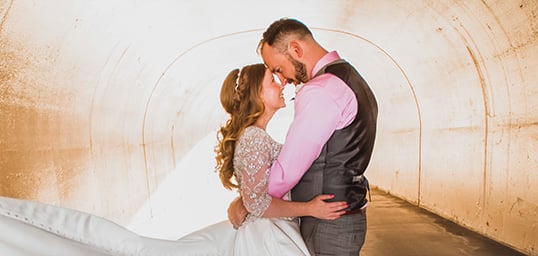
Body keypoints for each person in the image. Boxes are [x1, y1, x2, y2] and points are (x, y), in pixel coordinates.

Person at [0, 63, 348, 256]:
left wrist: (243, 202)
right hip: (267, 238)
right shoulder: (254, 139)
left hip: (266, 232)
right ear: (257, 94)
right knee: (132, 248)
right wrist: (310, 209)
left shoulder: (256, 136)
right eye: (272, 79)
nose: (280, 82)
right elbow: (258, 202)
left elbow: (254, 196)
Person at [228, 18, 378, 255]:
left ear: (296, 49)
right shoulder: (349, 77)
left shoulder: (320, 90)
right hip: (343, 215)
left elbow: (286, 173)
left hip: (328, 225)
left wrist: (249, 202)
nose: (284, 80)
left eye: (278, 70)